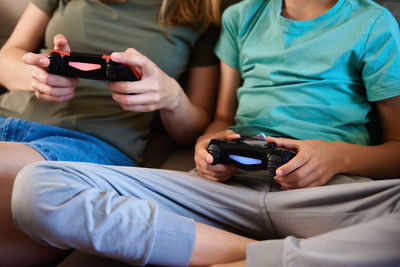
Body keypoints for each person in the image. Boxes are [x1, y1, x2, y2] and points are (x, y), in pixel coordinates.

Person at [11, 0, 400, 266]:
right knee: (37, 187)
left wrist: (336, 156)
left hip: (327, 191)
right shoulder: (241, 16)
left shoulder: (373, 23)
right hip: (223, 190)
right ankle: (261, 253)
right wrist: (206, 146)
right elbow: (221, 117)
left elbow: (396, 149)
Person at [0, 0, 233, 265]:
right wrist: (36, 76)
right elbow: (6, 56)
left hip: (86, 147)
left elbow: (195, 128)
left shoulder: (201, 11)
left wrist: (172, 98)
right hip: (7, 116)